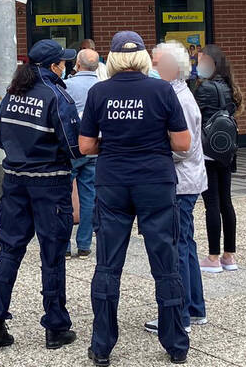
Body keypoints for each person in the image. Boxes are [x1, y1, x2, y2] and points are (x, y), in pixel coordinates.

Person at [80, 31, 191, 366]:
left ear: (111, 58)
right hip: (156, 181)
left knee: (108, 264)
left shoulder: (99, 92)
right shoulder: (162, 90)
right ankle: (175, 344)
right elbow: (183, 143)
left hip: (112, 181)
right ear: (144, 58)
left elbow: (85, 147)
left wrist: (113, 146)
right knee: (166, 263)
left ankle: (101, 347)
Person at [0, 39, 82, 350]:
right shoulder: (56, 95)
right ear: (54, 66)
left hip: (14, 181)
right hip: (50, 184)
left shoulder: (13, 94)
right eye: (62, 62)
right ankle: (55, 326)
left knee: (9, 250)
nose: (65, 65)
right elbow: (73, 146)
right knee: (52, 256)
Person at [144, 41, 208, 335]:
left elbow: (182, 148)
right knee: (187, 245)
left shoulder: (177, 99)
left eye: (155, 63)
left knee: (177, 249)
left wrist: (149, 150)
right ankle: (194, 308)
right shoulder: (179, 93)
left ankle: (179, 315)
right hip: (189, 179)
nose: (151, 68)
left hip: (181, 182)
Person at [194, 44, 244, 273]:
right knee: (226, 202)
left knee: (211, 204)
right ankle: (229, 255)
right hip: (226, 151)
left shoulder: (205, 88)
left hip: (207, 152)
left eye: (201, 61)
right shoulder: (229, 87)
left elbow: (196, 118)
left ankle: (213, 258)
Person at [64, 48, 100, 259]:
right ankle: (84, 244)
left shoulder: (68, 85)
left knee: (65, 196)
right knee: (89, 196)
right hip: (94, 147)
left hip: (71, 148)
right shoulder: (103, 87)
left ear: (77, 64)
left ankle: (65, 246)